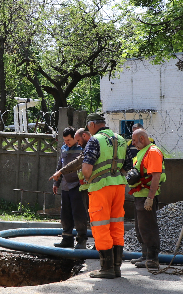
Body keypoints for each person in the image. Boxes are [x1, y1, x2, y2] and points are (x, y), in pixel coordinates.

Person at [82, 113, 127, 278]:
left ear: (93, 124)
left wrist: (87, 179)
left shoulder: (95, 140)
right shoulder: (120, 139)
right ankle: (116, 267)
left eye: (88, 126)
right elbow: (126, 167)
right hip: (119, 186)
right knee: (116, 225)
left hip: (101, 187)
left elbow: (87, 170)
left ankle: (106, 268)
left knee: (100, 225)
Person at [126, 129, 165, 269]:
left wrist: (150, 198)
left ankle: (152, 259)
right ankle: (145, 255)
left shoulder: (153, 152)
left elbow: (156, 176)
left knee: (148, 227)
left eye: (135, 141)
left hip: (146, 196)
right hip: (139, 195)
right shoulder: (143, 152)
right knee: (140, 227)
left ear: (142, 138)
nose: (133, 144)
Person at [51, 127, 88, 249]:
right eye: (65, 140)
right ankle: (67, 239)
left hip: (78, 186)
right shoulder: (63, 148)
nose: (67, 142)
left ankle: (81, 239)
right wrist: (56, 183)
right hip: (66, 186)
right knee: (65, 214)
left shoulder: (81, 149)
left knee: (79, 214)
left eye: (69, 140)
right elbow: (60, 165)